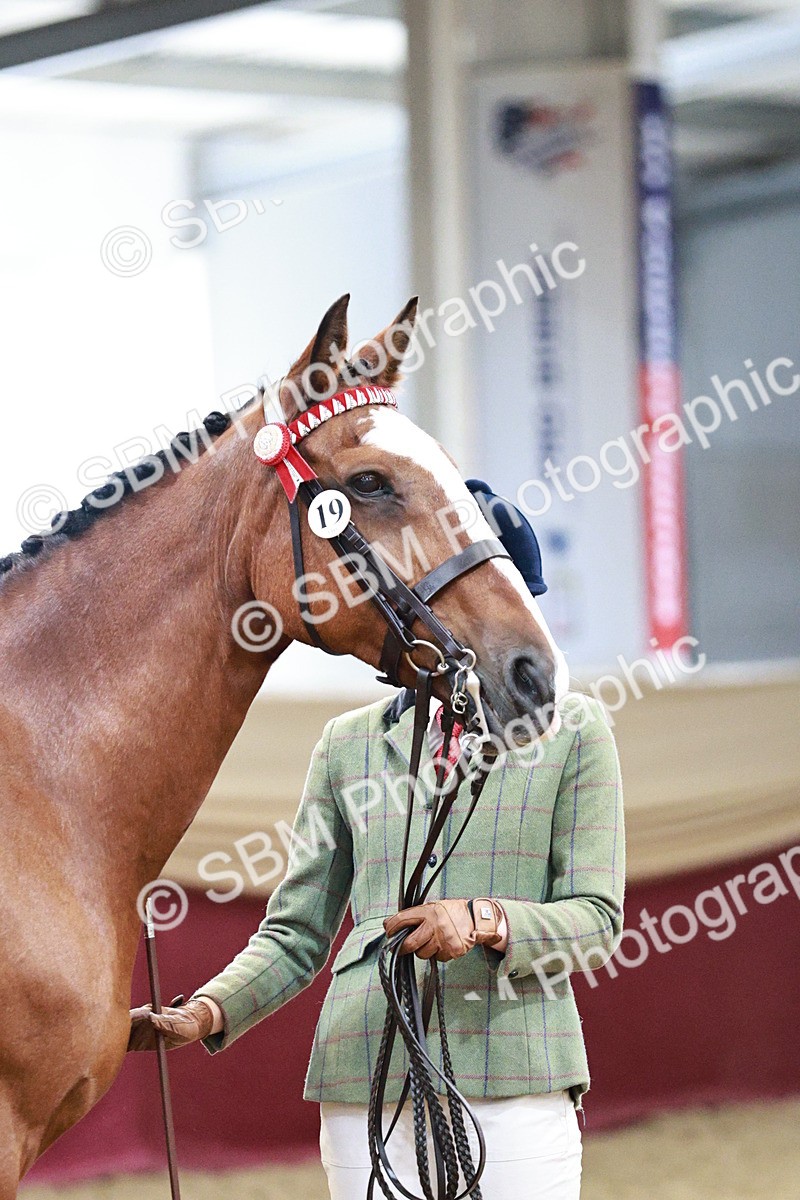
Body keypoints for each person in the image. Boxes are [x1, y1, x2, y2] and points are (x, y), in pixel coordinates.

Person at [129, 480, 625, 1200]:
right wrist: (205, 1010)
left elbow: (597, 922)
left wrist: (483, 920)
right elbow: (295, 933)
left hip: (516, 1074)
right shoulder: (346, 745)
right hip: (366, 1077)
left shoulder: (574, 732)